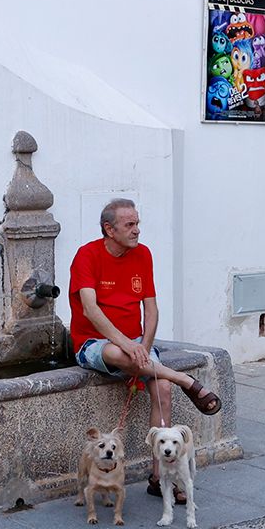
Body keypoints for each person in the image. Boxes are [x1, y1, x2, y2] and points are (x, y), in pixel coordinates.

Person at [71, 198, 222, 500]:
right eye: (130, 225)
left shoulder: (143, 255)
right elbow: (89, 309)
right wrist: (127, 345)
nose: (137, 230)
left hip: (137, 344)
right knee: (117, 354)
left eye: (137, 223)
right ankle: (186, 381)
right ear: (109, 229)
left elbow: (151, 310)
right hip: (94, 344)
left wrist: (144, 345)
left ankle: (160, 477)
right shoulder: (87, 255)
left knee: (163, 388)